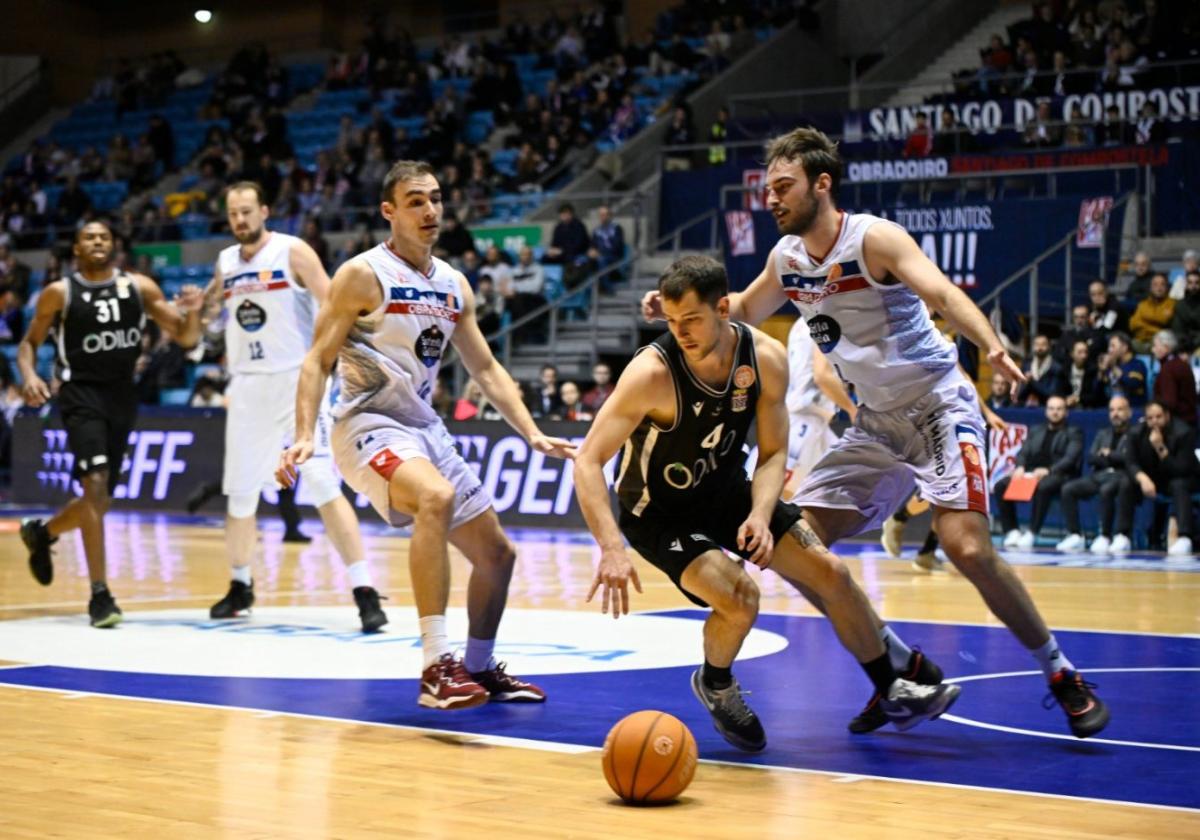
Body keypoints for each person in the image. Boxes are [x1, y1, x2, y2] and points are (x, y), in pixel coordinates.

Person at [641, 127, 1108, 738]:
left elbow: (942, 291)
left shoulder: (874, 239)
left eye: (784, 187)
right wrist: (680, 309)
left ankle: (1060, 672)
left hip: (939, 404)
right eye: (768, 189)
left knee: (966, 547)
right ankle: (894, 670)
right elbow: (745, 311)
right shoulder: (787, 259)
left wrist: (990, 345)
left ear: (822, 183)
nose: (772, 199)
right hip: (876, 423)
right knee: (798, 548)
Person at [577, 256, 959, 751]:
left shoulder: (765, 357)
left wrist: (761, 513)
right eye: (671, 322)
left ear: (723, 308)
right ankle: (716, 682)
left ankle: (889, 686)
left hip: (727, 492)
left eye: (691, 320)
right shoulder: (651, 373)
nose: (681, 333)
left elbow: (774, 451)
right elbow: (587, 461)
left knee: (832, 574)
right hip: (659, 512)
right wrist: (610, 547)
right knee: (741, 599)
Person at [277, 160, 574, 710]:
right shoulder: (362, 275)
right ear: (389, 211)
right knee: (434, 497)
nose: (430, 210)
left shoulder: (453, 284)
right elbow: (317, 360)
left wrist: (531, 432)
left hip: (423, 427)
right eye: (415, 200)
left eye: (435, 198)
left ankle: (477, 669)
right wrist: (303, 434)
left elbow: (485, 370)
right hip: (365, 424)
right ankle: (436, 668)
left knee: (498, 556)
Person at [201, 182, 388, 633]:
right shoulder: (227, 261)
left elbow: (335, 304)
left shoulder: (292, 251)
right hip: (246, 385)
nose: (240, 220)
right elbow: (213, 305)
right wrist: (200, 306)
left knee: (323, 482)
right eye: (233, 214)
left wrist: (339, 360)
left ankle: (364, 591)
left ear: (264, 211)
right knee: (241, 493)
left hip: (296, 381)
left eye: (247, 211)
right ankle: (240, 585)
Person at [17, 221, 203, 626]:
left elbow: (186, 337)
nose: (98, 241)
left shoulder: (139, 287)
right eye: (89, 236)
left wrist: (193, 311)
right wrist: (30, 376)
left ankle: (43, 533)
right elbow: (28, 344)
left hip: (122, 396)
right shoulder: (60, 293)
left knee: (97, 502)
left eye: (104, 236)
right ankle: (100, 595)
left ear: (114, 246)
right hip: (79, 394)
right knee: (95, 484)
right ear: (76, 249)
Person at [995, 396, 1083, 549]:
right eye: (1051, 409)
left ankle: (1032, 532)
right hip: (1031, 473)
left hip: (1059, 474)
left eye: (1059, 409)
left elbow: (1070, 459)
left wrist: (1049, 470)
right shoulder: (1036, 431)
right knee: (1001, 485)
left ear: (1066, 412)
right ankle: (1012, 531)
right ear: (1046, 411)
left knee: (1043, 487)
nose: (1055, 412)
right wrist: (1020, 467)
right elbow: (1023, 452)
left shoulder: (1074, 432)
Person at [1057, 396, 1136, 555]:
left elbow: (1131, 459)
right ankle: (1075, 534)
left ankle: (1112, 535)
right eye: (1112, 410)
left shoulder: (1135, 434)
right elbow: (1092, 457)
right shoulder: (1103, 433)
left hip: (1124, 477)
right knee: (1068, 489)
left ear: (1129, 412)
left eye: (1120, 409)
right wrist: (1111, 458)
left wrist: (1109, 455)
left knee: (1108, 489)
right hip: (1100, 475)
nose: (1115, 414)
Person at [1120, 401, 1199, 557]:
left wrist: (1160, 447)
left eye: (1158, 417)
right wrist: (1142, 478)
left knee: (1178, 484)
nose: (1154, 421)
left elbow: (1181, 470)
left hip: (1186, 479)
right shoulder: (1137, 433)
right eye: (1150, 418)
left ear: (1167, 416)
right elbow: (1130, 462)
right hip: (1154, 479)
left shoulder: (1183, 433)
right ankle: (1122, 535)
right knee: (1126, 482)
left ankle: (1184, 537)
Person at [1151, 330, 1197, 426]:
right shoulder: (1181, 363)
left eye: (1155, 346)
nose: (1152, 350)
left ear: (1166, 348)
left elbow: (1169, 402)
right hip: (1189, 421)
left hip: (1177, 425)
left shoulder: (1168, 369)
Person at [1098, 331, 1147, 406]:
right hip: (1111, 409)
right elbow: (1096, 393)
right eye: (1109, 346)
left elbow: (1133, 383)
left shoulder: (1137, 364)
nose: (1109, 350)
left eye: (1113, 346)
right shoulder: (1110, 366)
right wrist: (1101, 371)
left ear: (1124, 347)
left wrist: (1114, 367)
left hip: (1133, 409)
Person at [1129, 273, 1175, 353]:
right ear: (1150, 288)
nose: (1159, 288)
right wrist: (1156, 329)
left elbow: (1163, 319)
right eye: (1155, 285)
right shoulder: (1142, 304)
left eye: (1162, 284)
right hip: (1142, 341)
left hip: (1162, 344)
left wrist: (1145, 323)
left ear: (1167, 287)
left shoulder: (1172, 303)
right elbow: (1133, 324)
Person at [1018, 333, 1066, 406]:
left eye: (1043, 344)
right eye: (1037, 344)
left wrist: (1032, 382)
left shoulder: (1056, 368)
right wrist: (1026, 383)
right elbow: (1019, 394)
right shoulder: (1026, 366)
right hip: (1027, 406)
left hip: (1047, 407)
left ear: (1049, 346)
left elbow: (1052, 394)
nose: (1040, 348)